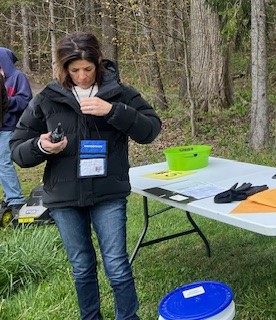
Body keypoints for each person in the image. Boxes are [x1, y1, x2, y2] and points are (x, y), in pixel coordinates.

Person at [11, 32, 162, 320]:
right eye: (74, 70)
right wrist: (42, 146)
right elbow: (18, 149)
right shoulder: (47, 98)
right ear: (64, 68)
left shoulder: (120, 94)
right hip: (64, 197)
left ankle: (128, 318)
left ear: (98, 64)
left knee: (116, 264)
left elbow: (151, 130)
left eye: (88, 69)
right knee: (81, 267)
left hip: (108, 192)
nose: (82, 76)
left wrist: (114, 111)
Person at [0, 47, 32, 215]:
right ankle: (9, 195)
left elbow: (26, 100)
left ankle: (16, 199)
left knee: (3, 162)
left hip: (10, 126)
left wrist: (6, 101)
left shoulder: (17, 77)